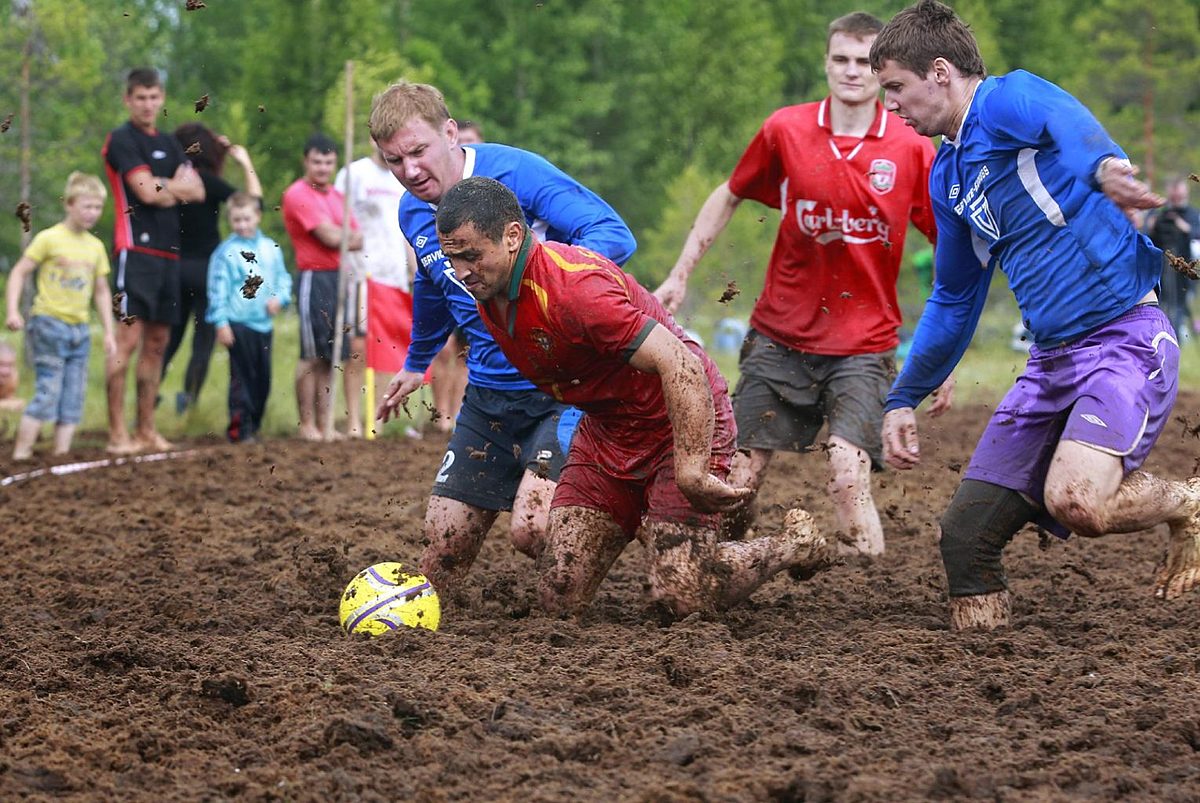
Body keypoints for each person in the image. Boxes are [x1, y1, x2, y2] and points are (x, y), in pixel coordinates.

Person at [870, 0, 1199, 631]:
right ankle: (976, 694)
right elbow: (954, 298)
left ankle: (1188, 502)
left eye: (896, 89)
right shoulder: (947, 176)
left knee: (1075, 500)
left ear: (940, 71)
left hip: (1125, 342)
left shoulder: (1005, 99)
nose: (891, 106)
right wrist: (902, 396)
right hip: (1049, 365)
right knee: (964, 538)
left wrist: (1104, 167)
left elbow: (1063, 119)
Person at [424, 177, 836, 616]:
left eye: (471, 255)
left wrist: (691, 468)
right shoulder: (491, 288)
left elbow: (683, 364)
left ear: (512, 236)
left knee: (680, 595)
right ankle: (674, 530)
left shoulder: (574, 292)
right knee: (557, 596)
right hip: (608, 429)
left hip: (675, 420)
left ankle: (789, 546)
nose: (461, 271)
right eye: (452, 259)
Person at [654, 12, 948, 556]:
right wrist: (681, 271)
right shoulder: (786, 130)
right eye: (841, 59)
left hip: (864, 343)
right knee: (737, 477)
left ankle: (865, 597)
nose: (853, 72)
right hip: (780, 334)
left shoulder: (911, 146)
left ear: (883, 69)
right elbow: (730, 192)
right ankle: (716, 569)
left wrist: (944, 351)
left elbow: (950, 247)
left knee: (846, 471)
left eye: (865, 62)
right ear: (826, 63)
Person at [370, 81, 634, 595]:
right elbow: (430, 281)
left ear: (450, 133)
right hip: (488, 395)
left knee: (533, 530)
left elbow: (612, 235)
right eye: (393, 160)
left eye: (419, 151)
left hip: (560, 386)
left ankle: (630, 517)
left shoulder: (517, 174)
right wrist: (416, 361)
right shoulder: (411, 210)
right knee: (441, 551)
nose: (411, 171)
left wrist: (546, 289)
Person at [102, 67, 205, 454]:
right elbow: (144, 192)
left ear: (162, 98)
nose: (147, 104)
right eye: (140, 97)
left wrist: (166, 188)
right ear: (128, 99)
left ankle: (146, 430)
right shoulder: (121, 140)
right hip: (135, 252)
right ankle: (117, 434)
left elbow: (195, 190)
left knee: (158, 344)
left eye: (153, 97)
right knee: (126, 343)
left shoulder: (170, 143)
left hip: (169, 256)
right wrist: (167, 187)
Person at [5, 172, 117, 460]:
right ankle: (20, 454)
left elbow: (102, 291)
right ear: (69, 204)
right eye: (86, 206)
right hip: (49, 324)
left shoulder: (95, 248)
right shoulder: (49, 238)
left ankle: (60, 458)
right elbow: (19, 272)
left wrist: (107, 331)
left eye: (97, 207)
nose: (92, 213)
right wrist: (13, 310)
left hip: (80, 329)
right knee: (48, 391)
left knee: (73, 397)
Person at [162, 123, 263, 415]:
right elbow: (254, 203)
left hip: (174, 268)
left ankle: (151, 396)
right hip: (207, 271)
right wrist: (244, 162)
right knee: (202, 344)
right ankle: (188, 400)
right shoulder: (207, 182)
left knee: (169, 339)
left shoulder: (171, 183)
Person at [281, 133, 364, 441]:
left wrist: (340, 235)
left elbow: (357, 239)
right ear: (306, 161)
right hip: (312, 277)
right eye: (317, 161)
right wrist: (340, 236)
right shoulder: (297, 194)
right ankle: (307, 424)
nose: (322, 168)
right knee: (311, 352)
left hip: (338, 277)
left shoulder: (337, 198)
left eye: (328, 162)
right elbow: (331, 237)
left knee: (332, 354)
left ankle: (325, 423)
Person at [334, 138, 417, 435]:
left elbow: (407, 230)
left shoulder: (403, 178)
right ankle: (354, 421)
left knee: (386, 348)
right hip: (361, 274)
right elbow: (338, 218)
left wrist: (415, 270)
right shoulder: (353, 174)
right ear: (373, 139)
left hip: (393, 275)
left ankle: (376, 421)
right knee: (358, 347)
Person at [206, 193, 292, 443]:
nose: (242, 224)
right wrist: (220, 322)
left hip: (263, 324)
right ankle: (239, 429)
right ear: (230, 221)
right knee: (241, 379)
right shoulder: (226, 252)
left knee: (262, 379)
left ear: (257, 217)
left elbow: (283, 278)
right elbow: (217, 289)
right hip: (237, 323)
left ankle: (254, 425)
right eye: (236, 220)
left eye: (246, 218)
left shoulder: (270, 248)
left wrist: (280, 298)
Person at [426, 120, 483, 432]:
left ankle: (458, 413)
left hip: (475, 283)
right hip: (444, 278)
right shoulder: (436, 192)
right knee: (443, 348)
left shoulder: (487, 192)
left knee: (465, 350)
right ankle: (440, 413)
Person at [1146, 177, 1200, 340]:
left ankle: (1182, 335)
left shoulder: (1192, 214)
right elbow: (1148, 236)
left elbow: (1196, 234)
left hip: (1184, 271)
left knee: (1181, 306)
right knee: (1163, 304)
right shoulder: (1160, 214)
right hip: (1162, 269)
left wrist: (1183, 227)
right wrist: (1151, 223)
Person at [0, 342, 22, 413]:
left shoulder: (13, 376)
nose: (6, 371)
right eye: (1, 364)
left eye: (10, 365)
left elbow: (9, 399)